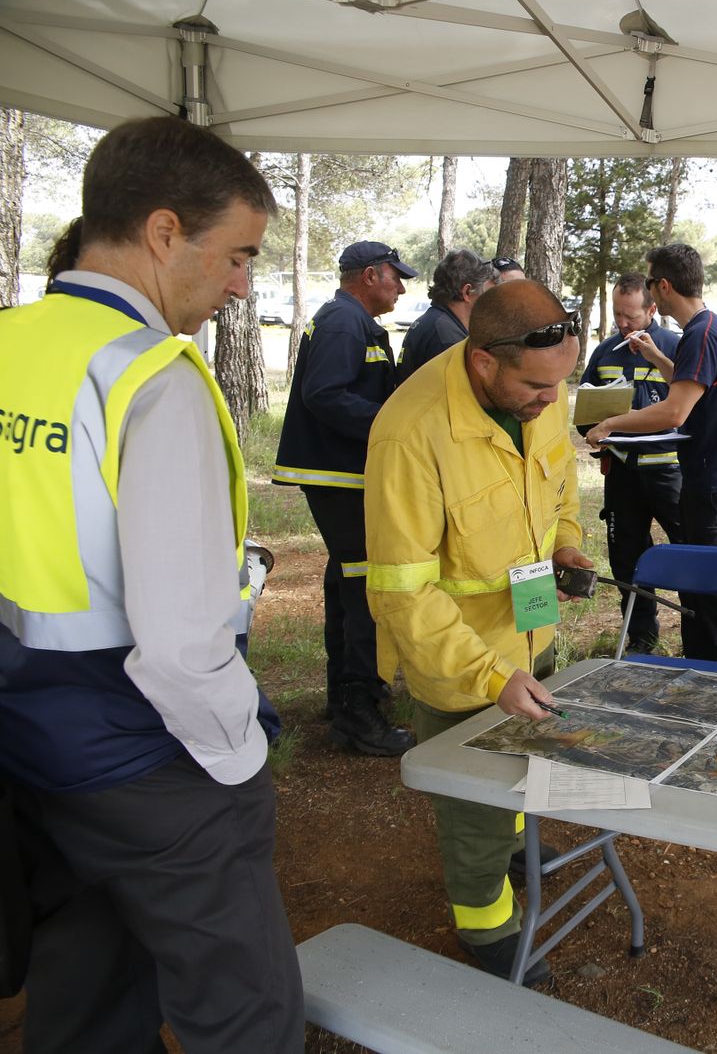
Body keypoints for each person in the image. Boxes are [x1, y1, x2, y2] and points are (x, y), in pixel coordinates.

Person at [0, 115, 303, 1052]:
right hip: (144, 753)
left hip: (29, 736)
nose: (241, 283)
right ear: (166, 232)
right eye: (239, 254)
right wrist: (238, 760)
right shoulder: (151, 377)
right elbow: (180, 645)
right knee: (243, 1009)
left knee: (85, 984)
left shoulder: (16, 343)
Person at [365, 279, 593, 986]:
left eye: (560, 385)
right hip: (460, 661)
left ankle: (514, 851)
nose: (550, 402)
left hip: (530, 636)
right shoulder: (412, 432)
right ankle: (484, 923)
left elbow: (559, 490)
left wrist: (567, 547)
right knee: (473, 803)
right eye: (536, 387)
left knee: (525, 768)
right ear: (484, 360)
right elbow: (403, 591)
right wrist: (490, 676)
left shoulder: (539, 386)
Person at [584, 244, 717, 677]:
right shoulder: (704, 330)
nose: (648, 292)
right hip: (714, 478)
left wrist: (610, 423)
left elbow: (673, 411)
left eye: (649, 284)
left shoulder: (702, 334)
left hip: (716, 481)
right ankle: (708, 677)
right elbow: (689, 383)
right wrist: (655, 357)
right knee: (704, 590)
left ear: (662, 287)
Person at [273, 238, 417, 757]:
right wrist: (390, 425)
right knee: (363, 587)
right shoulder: (341, 321)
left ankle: (344, 699)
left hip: (346, 475)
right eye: (395, 276)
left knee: (348, 579)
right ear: (370, 275)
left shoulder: (356, 321)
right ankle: (359, 714)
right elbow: (324, 393)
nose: (401, 286)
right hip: (339, 476)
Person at [578, 272, 685, 654]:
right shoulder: (605, 352)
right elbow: (585, 412)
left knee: (688, 552)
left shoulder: (675, 346)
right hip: (622, 473)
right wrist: (594, 429)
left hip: (671, 472)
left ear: (652, 309)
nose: (623, 324)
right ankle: (641, 639)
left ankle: (701, 637)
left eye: (631, 317)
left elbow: (695, 407)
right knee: (627, 559)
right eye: (617, 315)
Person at [397, 248, 494, 381]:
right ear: (467, 292)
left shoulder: (435, 321)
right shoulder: (446, 336)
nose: (492, 301)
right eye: (488, 293)